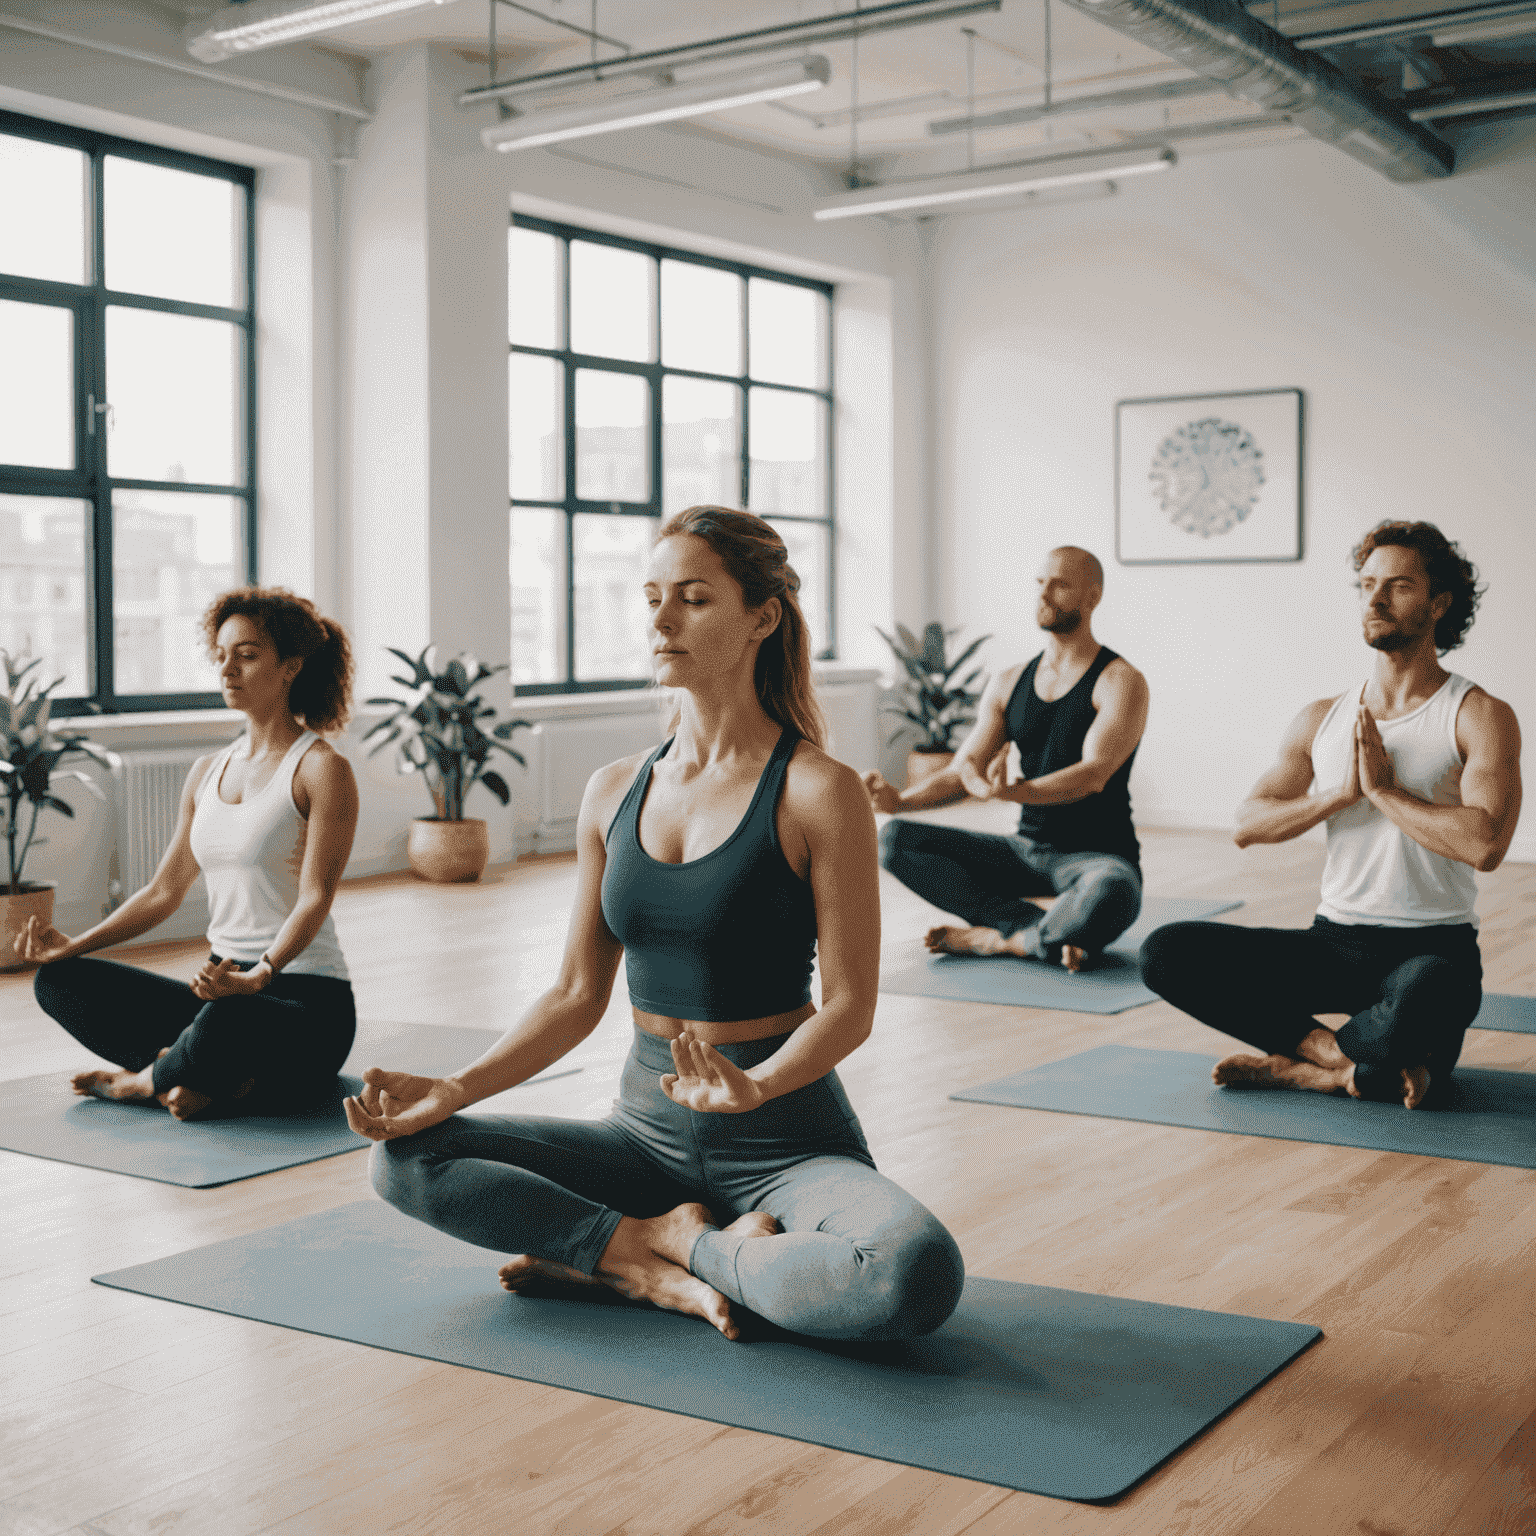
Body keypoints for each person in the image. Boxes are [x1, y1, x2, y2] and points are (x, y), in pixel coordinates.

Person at [349, 507, 964, 1343]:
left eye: (694, 598)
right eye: (651, 598)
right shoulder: (612, 790)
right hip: (643, 1133)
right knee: (405, 1157)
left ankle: (677, 1247)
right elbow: (573, 992)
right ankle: (640, 1254)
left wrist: (759, 1085)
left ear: (762, 616)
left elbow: (850, 1004)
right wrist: (456, 1090)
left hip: (781, 1137)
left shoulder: (819, 790)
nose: (661, 621)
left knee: (910, 1273)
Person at [1141, 520, 1522, 1109]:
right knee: (1166, 951)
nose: (1375, 598)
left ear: (1439, 602)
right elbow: (1248, 823)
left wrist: (1389, 795)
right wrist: (1338, 796)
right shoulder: (1322, 717)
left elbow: (1486, 845)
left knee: (1430, 990)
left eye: (1398, 586)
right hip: (1334, 944)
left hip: (1432, 950)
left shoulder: (1478, 715)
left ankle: (1304, 1071)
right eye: (1368, 583)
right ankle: (1340, 1063)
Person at [16, 588, 360, 1121]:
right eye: (221, 655)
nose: (228, 669)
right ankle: (211, 1078)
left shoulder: (321, 769)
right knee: (59, 983)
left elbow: (315, 898)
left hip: (306, 1005)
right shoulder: (206, 772)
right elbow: (162, 892)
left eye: (247, 655)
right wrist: (72, 946)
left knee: (232, 1019)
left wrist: (262, 974)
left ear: (291, 665)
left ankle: (149, 1081)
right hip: (221, 993)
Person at [864, 545, 1149, 973]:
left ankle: (998, 942)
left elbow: (1094, 774)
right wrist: (898, 802)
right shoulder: (1010, 681)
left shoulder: (1119, 680)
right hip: (1025, 851)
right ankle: (1036, 933)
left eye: (1060, 585)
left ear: (1092, 598)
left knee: (1112, 892)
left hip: (1097, 858)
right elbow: (966, 769)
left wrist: (1017, 791)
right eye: (1040, 583)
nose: (1044, 594)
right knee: (894, 840)